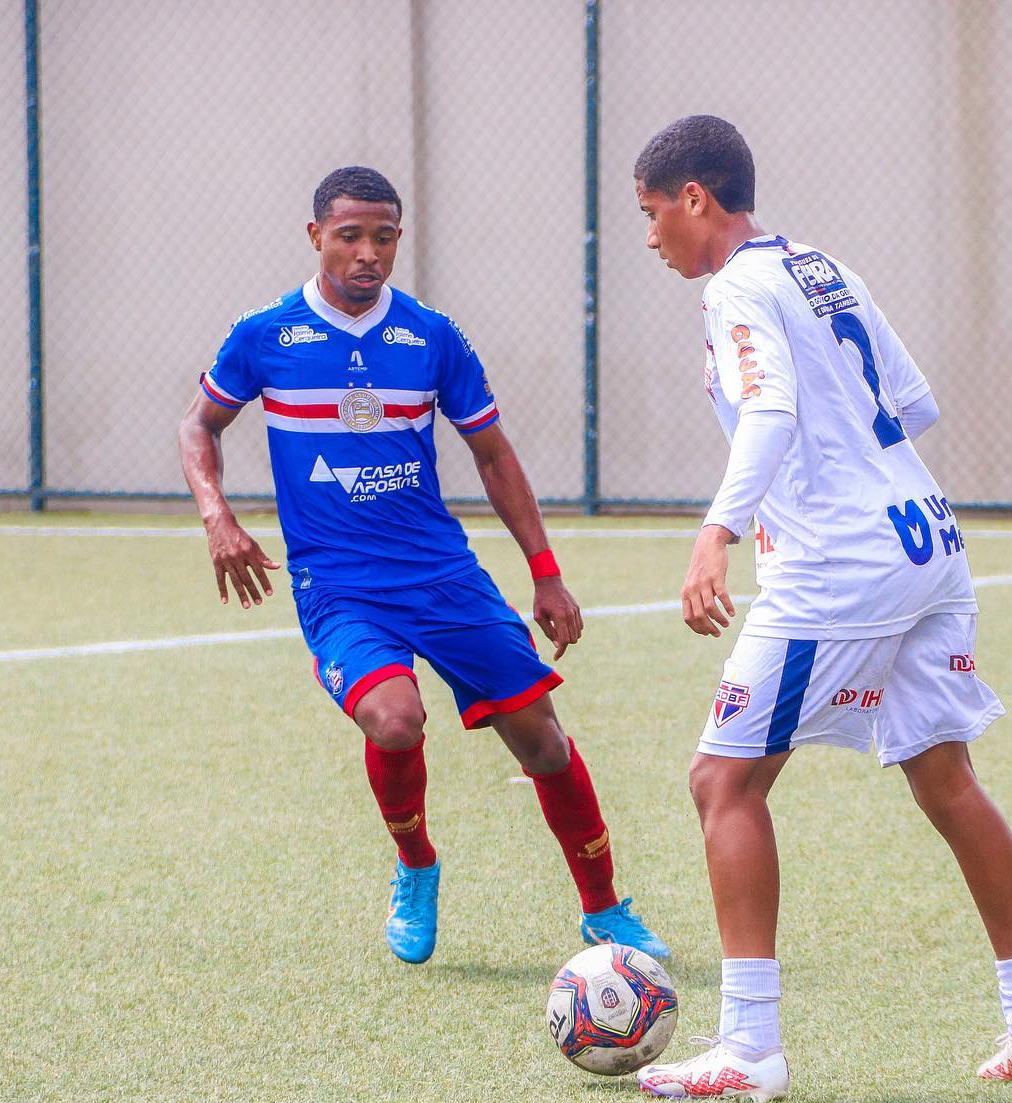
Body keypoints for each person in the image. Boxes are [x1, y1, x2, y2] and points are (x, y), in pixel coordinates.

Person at [628, 116, 1012, 1102]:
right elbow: (909, 403)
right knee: (946, 777)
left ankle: (747, 1048)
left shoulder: (735, 286)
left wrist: (722, 529)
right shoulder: (819, 266)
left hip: (842, 563)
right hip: (926, 533)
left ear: (695, 198)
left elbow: (775, 411)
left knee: (722, 782)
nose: (651, 234)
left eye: (653, 211)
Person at [178, 165, 667, 966]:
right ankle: (416, 865)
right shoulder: (264, 335)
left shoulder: (432, 336)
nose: (368, 253)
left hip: (441, 573)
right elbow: (199, 427)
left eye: (384, 237)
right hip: (338, 584)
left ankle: (605, 906)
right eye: (350, 236)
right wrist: (216, 516)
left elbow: (494, 454)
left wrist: (545, 571)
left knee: (540, 740)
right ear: (315, 238)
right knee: (396, 717)